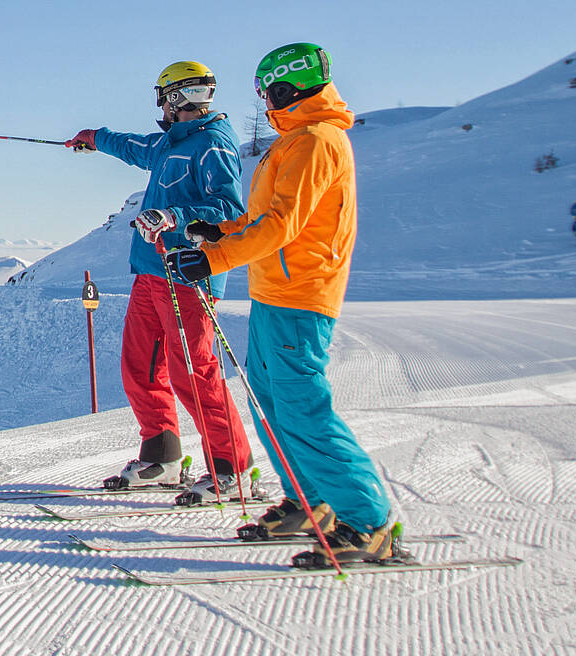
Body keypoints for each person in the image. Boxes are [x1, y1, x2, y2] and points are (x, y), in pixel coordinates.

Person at [163, 42, 404, 567]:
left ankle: (368, 521)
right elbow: (263, 218)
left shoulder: (316, 140)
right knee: (271, 404)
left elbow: (282, 224)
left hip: (302, 295)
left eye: (265, 90)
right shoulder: (295, 139)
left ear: (285, 87)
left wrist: (214, 260)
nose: (263, 99)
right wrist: (216, 231)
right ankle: (308, 502)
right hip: (275, 293)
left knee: (302, 407)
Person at [68, 60, 252, 499]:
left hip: (187, 275)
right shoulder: (173, 142)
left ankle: (232, 469)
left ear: (173, 97)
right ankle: (162, 459)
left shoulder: (213, 144)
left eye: (162, 96)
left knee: (194, 372)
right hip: (152, 272)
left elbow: (228, 209)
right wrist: (95, 138)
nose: (162, 106)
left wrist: (173, 215)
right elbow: (136, 147)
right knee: (141, 368)